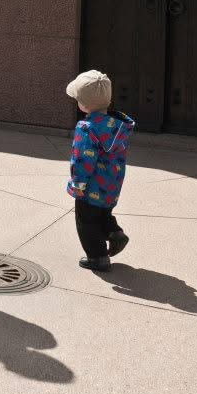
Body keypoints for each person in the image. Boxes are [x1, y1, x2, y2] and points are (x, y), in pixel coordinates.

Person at [66, 70, 135, 271]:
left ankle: (98, 257)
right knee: (103, 213)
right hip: (111, 184)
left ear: (84, 104)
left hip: (91, 186)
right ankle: (115, 233)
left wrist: (77, 185)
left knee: (86, 222)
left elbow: (81, 159)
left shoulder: (87, 128)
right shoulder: (116, 126)